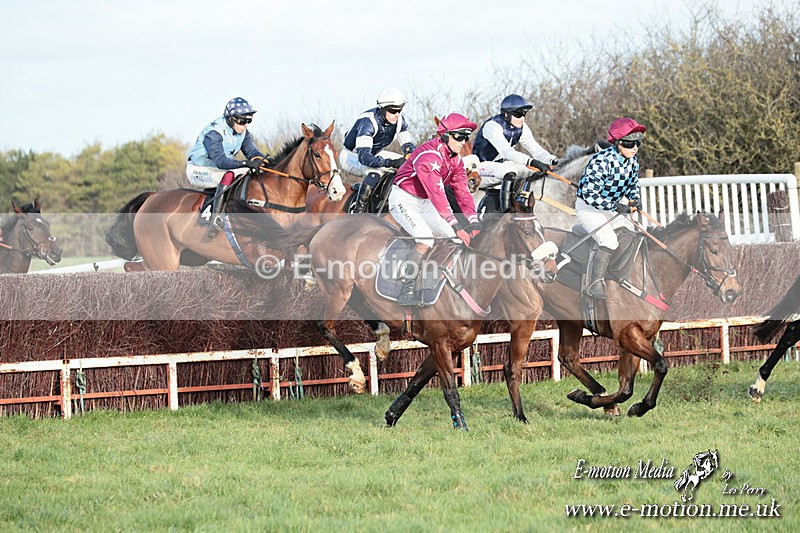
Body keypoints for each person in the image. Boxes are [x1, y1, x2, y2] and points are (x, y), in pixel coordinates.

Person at [388, 113, 481, 305]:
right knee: (426, 238)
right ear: (445, 136)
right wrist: (457, 225)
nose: (463, 142)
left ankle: (433, 279)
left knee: (453, 239)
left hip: (424, 201)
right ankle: (406, 287)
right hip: (404, 199)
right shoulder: (429, 156)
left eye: (466, 137)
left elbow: (462, 192)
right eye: (459, 137)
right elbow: (438, 195)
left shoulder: (455, 159)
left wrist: (473, 221)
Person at [575, 117, 646, 299]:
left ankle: (615, 274)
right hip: (589, 208)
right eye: (630, 144)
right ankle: (594, 283)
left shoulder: (632, 161)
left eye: (638, 143)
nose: (635, 148)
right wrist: (614, 206)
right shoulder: (601, 162)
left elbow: (632, 185)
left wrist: (634, 200)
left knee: (631, 234)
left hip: (611, 207)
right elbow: (590, 195)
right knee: (609, 240)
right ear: (618, 143)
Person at [186, 97, 269, 238]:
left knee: (249, 173)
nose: (246, 125)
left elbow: (252, 152)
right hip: (198, 170)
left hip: (218, 169)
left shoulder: (243, 133)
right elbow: (221, 162)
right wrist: (245, 163)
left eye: (249, 120)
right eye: (242, 121)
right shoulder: (214, 133)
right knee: (231, 174)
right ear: (230, 119)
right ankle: (215, 219)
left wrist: (263, 161)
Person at [472, 94, 558, 214]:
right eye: (518, 114)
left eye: (524, 114)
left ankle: (521, 203)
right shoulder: (492, 126)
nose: (522, 118)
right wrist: (531, 161)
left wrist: (552, 160)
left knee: (532, 171)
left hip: (501, 167)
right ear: (506, 114)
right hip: (480, 168)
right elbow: (506, 152)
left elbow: (536, 149)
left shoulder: (522, 127)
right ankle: (507, 212)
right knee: (508, 170)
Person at [341, 88, 416, 213]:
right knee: (374, 172)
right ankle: (357, 213)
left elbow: (408, 144)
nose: (397, 114)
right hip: (351, 157)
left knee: (407, 164)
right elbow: (364, 158)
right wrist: (390, 163)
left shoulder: (400, 120)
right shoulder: (368, 122)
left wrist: (411, 155)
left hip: (374, 154)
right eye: (393, 110)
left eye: (399, 110)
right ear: (382, 109)